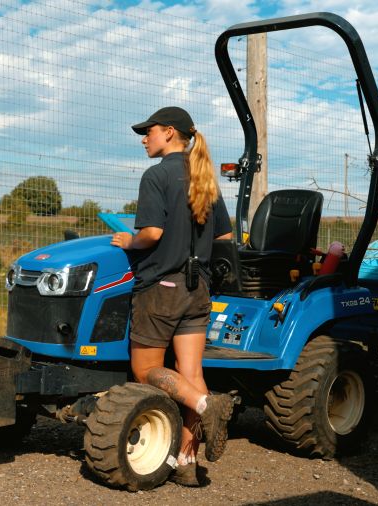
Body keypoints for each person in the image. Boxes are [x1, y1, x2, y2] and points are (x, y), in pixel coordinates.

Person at [110, 106, 235, 487]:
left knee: (145, 369)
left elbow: (152, 233)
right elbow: (225, 237)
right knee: (192, 374)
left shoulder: (157, 175)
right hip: (198, 289)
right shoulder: (204, 177)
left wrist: (129, 241)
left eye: (148, 132)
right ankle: (186, 463)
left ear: (168, 132)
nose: (144, 140)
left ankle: (205, 404)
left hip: (161, 287)